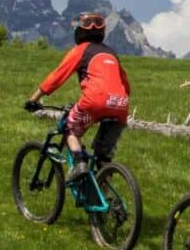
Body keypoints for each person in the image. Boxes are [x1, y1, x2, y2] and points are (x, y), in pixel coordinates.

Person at [24, 12, 130, 179]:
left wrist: (34, 99)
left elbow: (57, 77)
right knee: (104, 158)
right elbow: (125, 84)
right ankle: (108, 201)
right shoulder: (111, 53)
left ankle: (79, 164)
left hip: (95, 103)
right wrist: (118, 102)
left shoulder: (80, 50)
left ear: (80, 32)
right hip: (120, 106)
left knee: (70, 128)